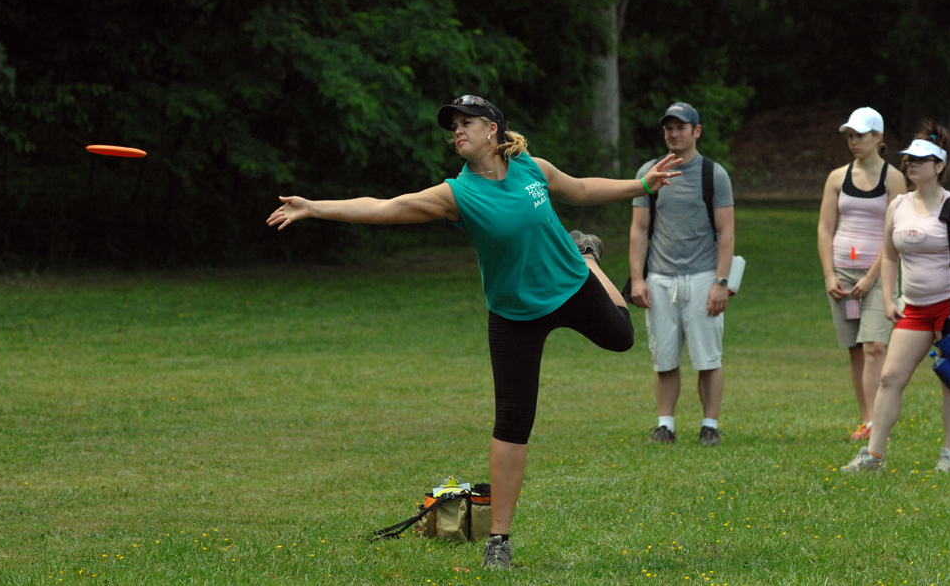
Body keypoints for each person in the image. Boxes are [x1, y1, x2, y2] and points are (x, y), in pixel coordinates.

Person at [266, 95, 682, 568]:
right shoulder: (456, 194)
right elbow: (384, 207)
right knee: (512, 420)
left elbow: (582, 189)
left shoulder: (530, 167)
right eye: (454, 125)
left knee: (622, 336)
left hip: (569, 284)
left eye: (468, 122)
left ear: (494, 130)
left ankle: (586, 256)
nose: (458, 131)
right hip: (513, 314)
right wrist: (314, 207)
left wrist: (641, 183)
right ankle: (498, 541)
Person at [843, 122, 950, 473]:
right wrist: (890, 299)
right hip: (915, 309)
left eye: (921, 160)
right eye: (909, 160)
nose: (912, 165)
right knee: (890, 377)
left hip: (949, 307)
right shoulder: (899, 206)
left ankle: (949, 455)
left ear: (939, 167)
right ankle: (873, 457)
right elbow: (890, 255)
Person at [628, 102, 735, 446]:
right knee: (664, 357)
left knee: (708, 357)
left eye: (681, 127)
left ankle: (709, 425)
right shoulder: (650, 171)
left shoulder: (713, 174)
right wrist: (638, 278)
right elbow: (639, 230)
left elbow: (727, 231)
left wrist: (722, 282)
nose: (674, 134)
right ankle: (666, 425)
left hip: (704, 277)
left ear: (696, 132)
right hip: (660, 278)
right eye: (668, 128)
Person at [817, 107, 906, 441]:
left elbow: (895, 230)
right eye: (850, 136)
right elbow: (825, 229)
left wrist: (872, 277)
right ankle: (867, 419)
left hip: (879, 273)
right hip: (842, 273)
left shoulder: (894, 178)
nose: (853, 142)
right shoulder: (837, 178)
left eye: (861, 135)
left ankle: (876, 423)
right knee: (856, 348)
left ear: (878, 138)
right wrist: (829, 275)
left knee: (874, 347)